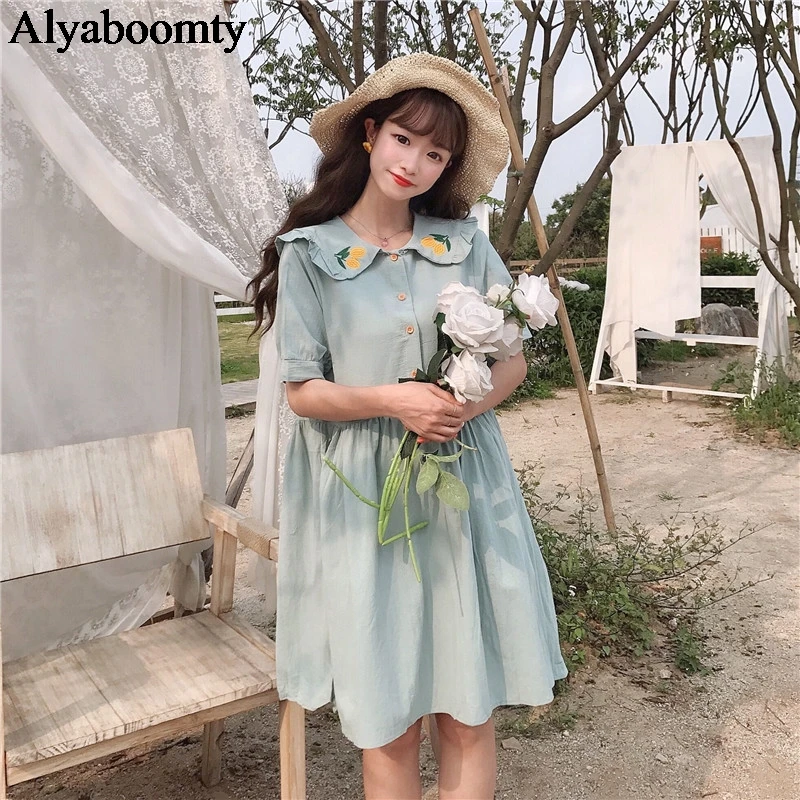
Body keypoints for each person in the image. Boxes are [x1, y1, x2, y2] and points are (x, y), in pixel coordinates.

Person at [248, 53, 568, 800]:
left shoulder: (464, 244)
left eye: (435, 154)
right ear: (370, 134)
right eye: (403, 139)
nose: (414, 163)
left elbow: (512, 364)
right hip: (367, 502)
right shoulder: (310, 255)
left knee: (466, 710)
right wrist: (397, 401)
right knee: (387, 717)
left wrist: (458, 409)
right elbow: (302, 392)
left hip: (463, 490)